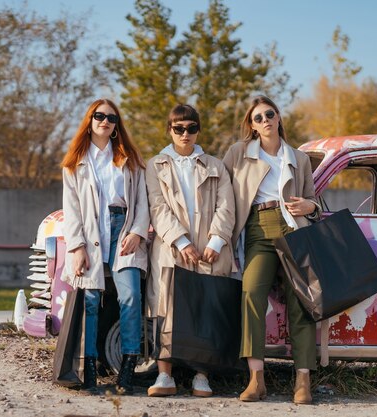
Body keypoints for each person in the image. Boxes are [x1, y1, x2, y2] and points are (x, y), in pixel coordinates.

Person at [222, 95, 320, 404]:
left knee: (302, 301)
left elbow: (314, 201)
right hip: (257, 227)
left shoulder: (298, 158)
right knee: (251, 294)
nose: (264, 120)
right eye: (257, 118)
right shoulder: (238, 153)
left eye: (269, 114)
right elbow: (220, 190)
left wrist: (310, 205)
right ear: (251, 126)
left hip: (294, 227)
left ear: (278, 118)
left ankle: (303, 380)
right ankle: (256, 379)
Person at [145, 104, 236, 398]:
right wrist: (181, 241)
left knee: (205, 308)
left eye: (191, 128)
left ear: (198, 129)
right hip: (172, 248)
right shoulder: (156, 165)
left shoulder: (215, 165)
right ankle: (164, 375)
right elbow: (157, 208)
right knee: (167, 309)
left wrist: (216, 241)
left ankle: (201, 376)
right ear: (169, 130)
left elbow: (227, 206)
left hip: (209, 249)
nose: (185, 134)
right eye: (179, 128)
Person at [61, 98, 149, 395]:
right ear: (90, 120)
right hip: (91, 234)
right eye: (99, 116)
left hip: (123, 228)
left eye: (111, 118)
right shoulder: (75, 162)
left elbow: (142, 203)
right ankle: (89, 371)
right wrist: (77, 247)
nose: (105, 121)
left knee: (131, 298)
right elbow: (71, 209)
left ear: (116, 125)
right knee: (90, 302)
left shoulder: (130, 158)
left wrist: (137, 232)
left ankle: (127, 369)